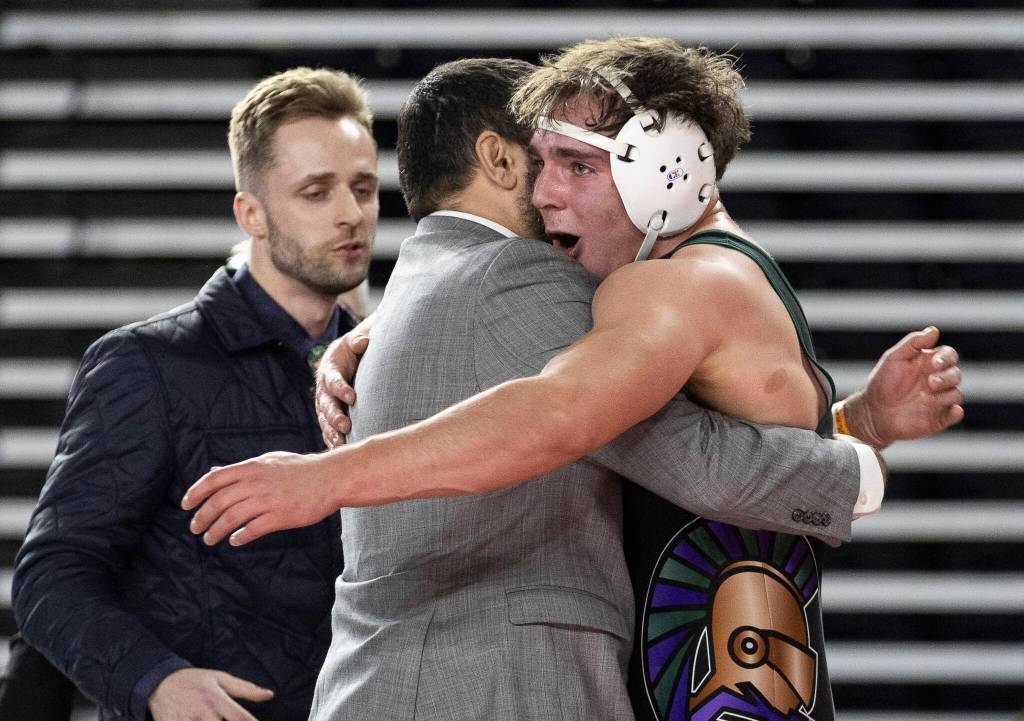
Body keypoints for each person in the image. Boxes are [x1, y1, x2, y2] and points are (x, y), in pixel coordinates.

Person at [185, 55, 960, 721]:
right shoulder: (533, 281)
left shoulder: (443, 277)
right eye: (543, 161)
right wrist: (861, 459)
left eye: (578, 166)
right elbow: (642, 442)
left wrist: (861, 422)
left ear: (662, 169)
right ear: (497, 159)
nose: (553, 191)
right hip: (493, 684)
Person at [12, 66, 378, 721]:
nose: (352, 213)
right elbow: (52, 576)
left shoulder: (386, 365)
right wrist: (157, 680)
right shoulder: (147, 365)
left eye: (363, 187)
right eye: (317, 192)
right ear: (252, 214)